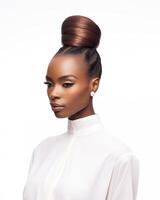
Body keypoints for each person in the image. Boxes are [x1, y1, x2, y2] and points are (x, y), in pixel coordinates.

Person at [23, 15, 139, 200]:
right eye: (49, 84)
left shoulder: (118, 157)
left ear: (94, 85)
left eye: (67, 84)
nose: (53, 93)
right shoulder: (42, 150)